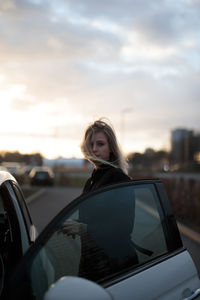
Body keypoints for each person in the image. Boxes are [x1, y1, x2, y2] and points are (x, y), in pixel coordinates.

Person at [59, 119, 138, 281]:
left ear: (111, 148)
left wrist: (82, 229)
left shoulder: (118, 179)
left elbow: (123, 227)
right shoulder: (92, 180)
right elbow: (94, 218)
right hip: (92, 261)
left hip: (115, 265)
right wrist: (72, 225)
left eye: (100, 144)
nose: (94, 149)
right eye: (91, 144)